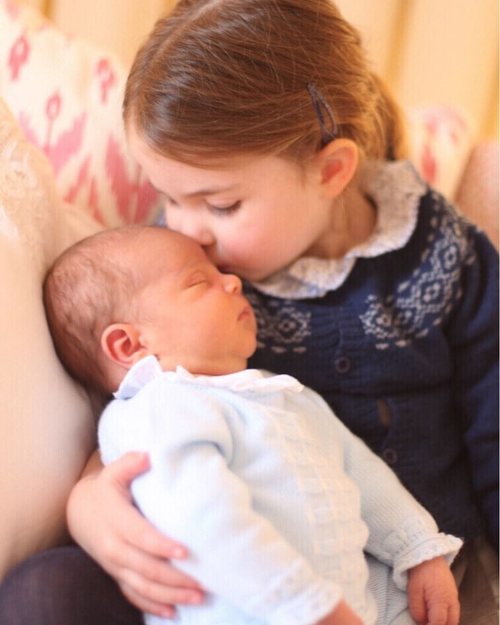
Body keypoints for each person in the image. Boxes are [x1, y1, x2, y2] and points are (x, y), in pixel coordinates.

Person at [0, 0, 497, 624]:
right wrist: (89, 500)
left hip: (410, 580)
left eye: (221, 204)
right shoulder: (180, 266)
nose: (189, 232)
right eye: (169, 199)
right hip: (224, 559)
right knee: (46, 593)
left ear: (332, 170)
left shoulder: (445, 257)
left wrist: (431, 554)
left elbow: (494, 423)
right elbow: (138, 401)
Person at [44, 224, 461, 625]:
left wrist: (417, 550)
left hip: (360, 605)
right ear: (129, 345)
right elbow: (202, 519)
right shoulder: (160, 407)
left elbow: (363, 476)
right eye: (198, 282)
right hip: (257, 609)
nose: (232, 283)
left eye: (220, 274)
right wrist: (306, 606)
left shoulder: (286, 396)